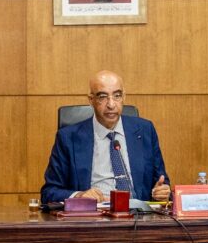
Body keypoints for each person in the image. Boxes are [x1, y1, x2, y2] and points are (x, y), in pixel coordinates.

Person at [41, 71, 170, 204]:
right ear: (91, 100)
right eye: (102, 97)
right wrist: (79, 195)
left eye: (117, 96)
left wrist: (161, 192)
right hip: (94, 213)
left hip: (138, 212)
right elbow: (49, 192)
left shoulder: (145, 130)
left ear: (124, 97)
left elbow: (161, 182)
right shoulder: (68, 138)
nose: (111, 104)